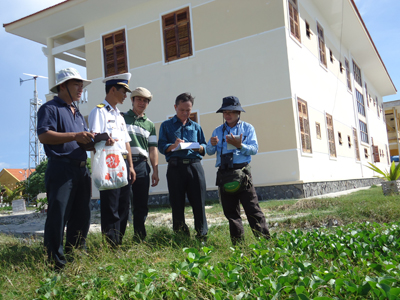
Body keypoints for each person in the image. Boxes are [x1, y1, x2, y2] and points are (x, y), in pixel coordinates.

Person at [37, 68, 94, 269]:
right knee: (58, 215)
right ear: (63, 86)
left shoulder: (77, 112)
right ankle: (55, 262)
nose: (80, 89)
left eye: (81, 85)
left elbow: (81, 140)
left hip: (81, 169)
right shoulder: (50, 108)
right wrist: (75, 135)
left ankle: (76, 255)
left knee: (82, 215)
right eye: (76, 84)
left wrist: (95, 140)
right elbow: (44, 136)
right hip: (61, 169)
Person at [206, 96, 270, 245]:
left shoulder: (248, 128)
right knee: (231, 214)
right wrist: (211, 143)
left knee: (253, 210)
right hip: (224, 174)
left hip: (242, 174)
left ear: (238, 112)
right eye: (225, 112)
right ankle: (238, 246)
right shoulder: (217, 130)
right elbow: (209, 151)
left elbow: (254, 150)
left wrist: (240, 145)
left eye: (231, 112)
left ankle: (265, 243)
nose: (227, 115)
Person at [88, 73, 136, 247]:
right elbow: (93, 139)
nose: (125, 96)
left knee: (124, 205)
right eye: (124, 91)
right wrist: (103, 140)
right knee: (111, 205)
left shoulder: (120, 116)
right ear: (113, 89)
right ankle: (110, 244)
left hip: (122, 162)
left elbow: (127, 143)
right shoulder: (99, 111)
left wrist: (130, 166)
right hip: (109, 163)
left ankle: (119, 242)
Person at [158, 93, 208, 240]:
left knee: (199, 203)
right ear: (175, 107)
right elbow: (161, 146)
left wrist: (198, 147)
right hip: (175, 168)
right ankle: (181, 235)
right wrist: (173, 146)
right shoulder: (166, 126)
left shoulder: (196, 127)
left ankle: (202, 235)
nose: (186, 113)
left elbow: (204, 145)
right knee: (177, 203)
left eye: (188, 110)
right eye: (182, 110)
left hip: (194, 167)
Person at [123, 87, 159, 241]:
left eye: (145, 101)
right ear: (132, 100)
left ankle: (139, 237)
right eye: (139, 99)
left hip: (143, 165)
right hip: (124, 163)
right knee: (122, 202)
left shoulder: (150, 124)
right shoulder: (122, 118)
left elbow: (153, 149)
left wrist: (155, 170)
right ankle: (118, 238)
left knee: (141, 203)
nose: (142, 103)